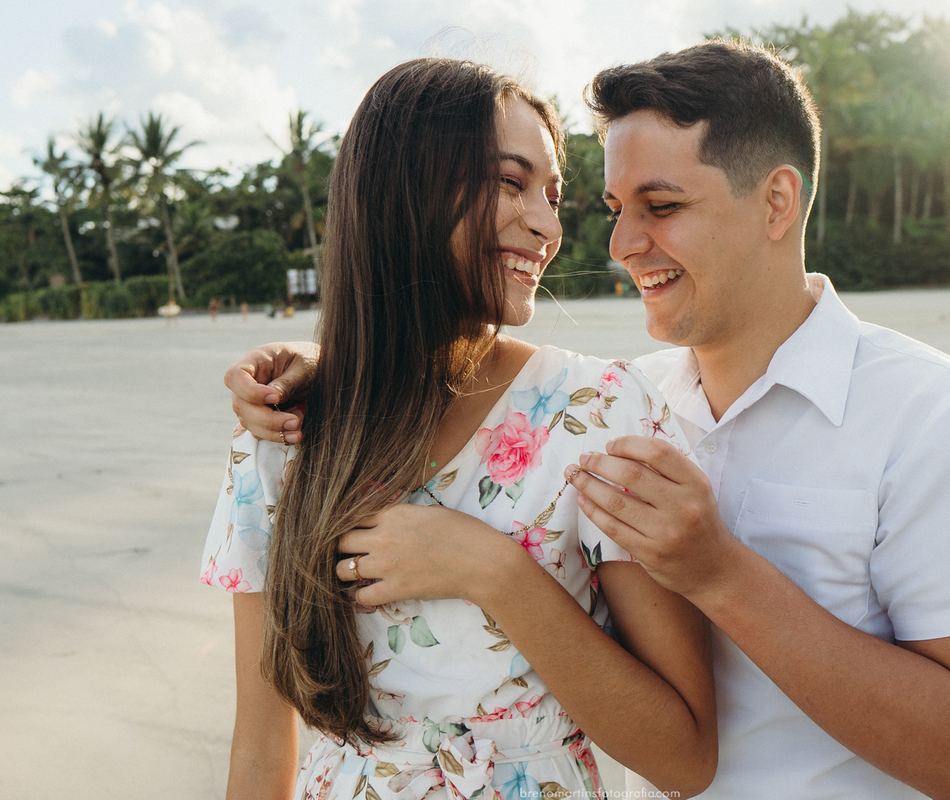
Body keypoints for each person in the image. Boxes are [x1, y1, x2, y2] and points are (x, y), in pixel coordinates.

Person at [228, 41, 950, 799]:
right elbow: (461, 382)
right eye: (615, 206)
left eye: (662, 205)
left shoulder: (933, 416)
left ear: (777, 202)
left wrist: (717, 573)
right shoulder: (615, 402)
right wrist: (326, 368)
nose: (617, 243)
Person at [202, 58, 717, 800]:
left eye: (552, 195)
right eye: (509, 182)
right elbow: (259, 748)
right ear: (402, 192)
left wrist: (494, 571)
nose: (547, 226)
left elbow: (683, 757)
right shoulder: (281, 433)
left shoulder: (596, 413)